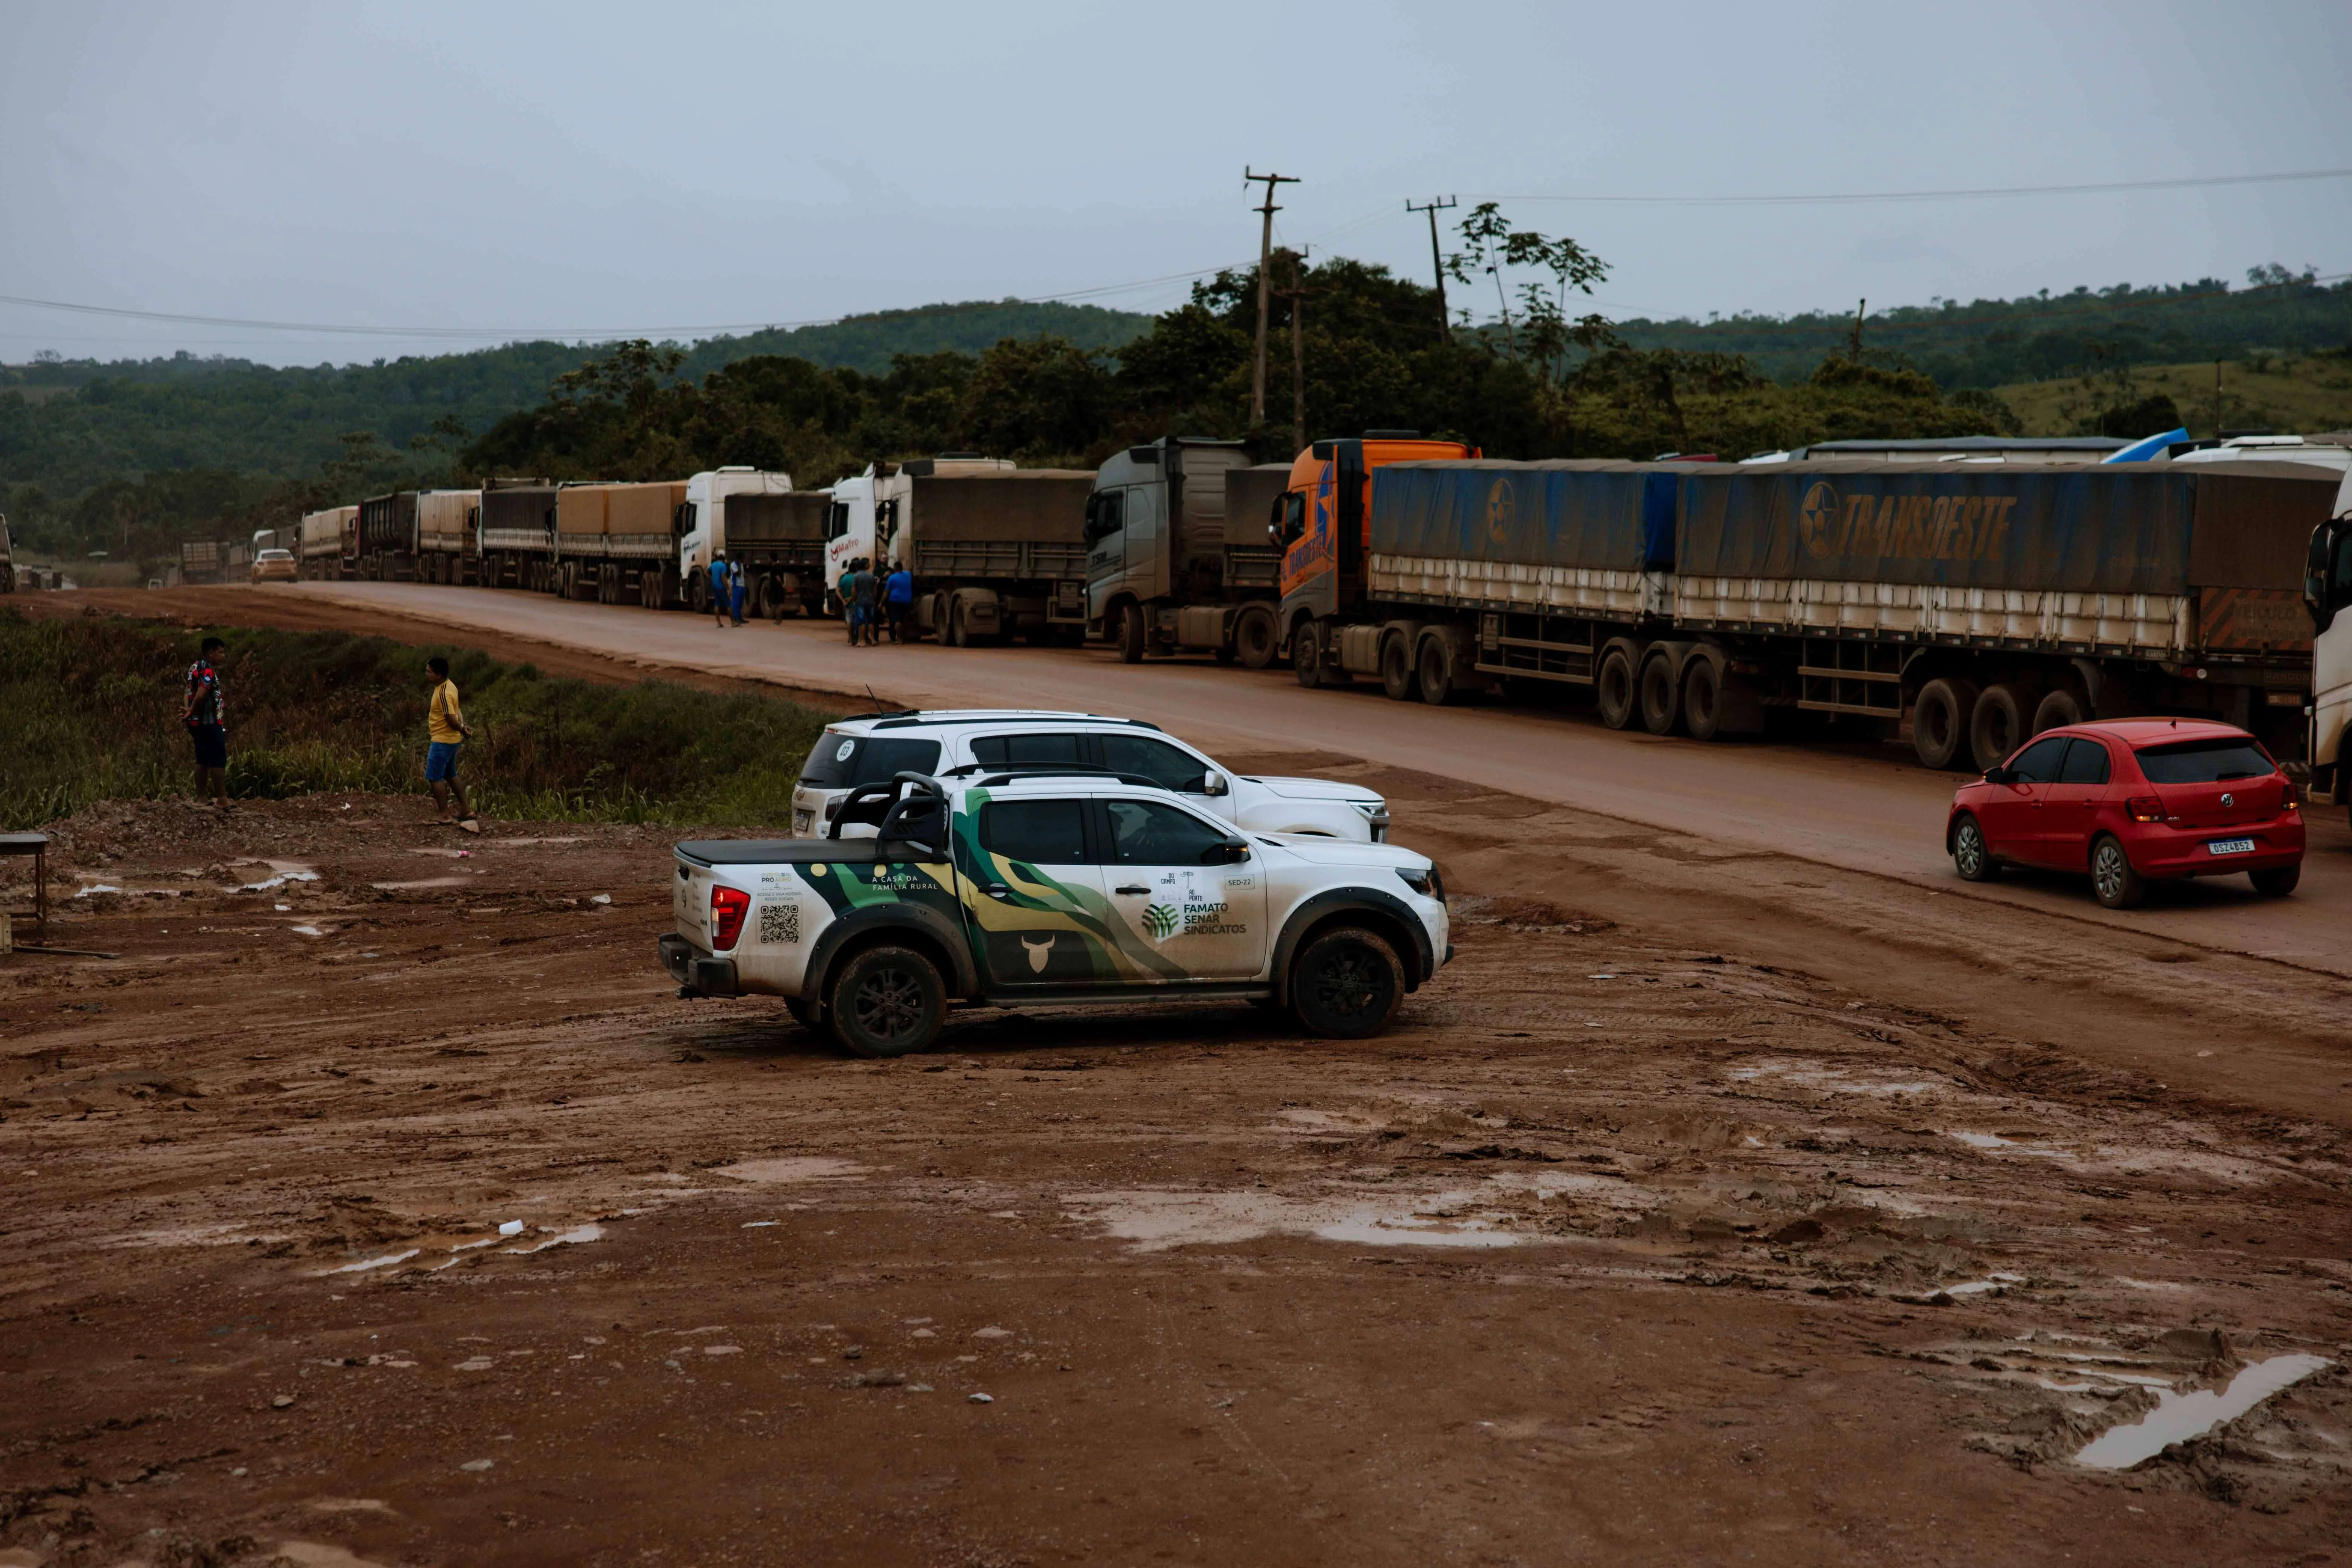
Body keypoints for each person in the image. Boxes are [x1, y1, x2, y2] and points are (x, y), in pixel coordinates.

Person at [424, 655, 480, 833]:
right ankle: (466, 810)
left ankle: (444, 814)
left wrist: (462, 729)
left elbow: (451, 718)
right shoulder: (450, 685)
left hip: (443, 740)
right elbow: (457, 711)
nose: (426, 675)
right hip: (450, 740)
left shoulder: (443, 692)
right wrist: (462, 729)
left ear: (439, 675)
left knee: (434, 776)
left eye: (429, 672)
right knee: (450, 774)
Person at [182, 635, 231, 810]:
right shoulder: (208, 671)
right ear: (211, 653)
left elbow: (188, 690)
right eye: (220, 652)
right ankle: (223, 800)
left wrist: (189, 711)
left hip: (196, 725)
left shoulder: (194, 667)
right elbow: (202, 693)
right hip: (210, 722)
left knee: (201, 759)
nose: (223, 656)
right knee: (218, 759)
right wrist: (193, 709)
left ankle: (201, 797)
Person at [850, 559, 881, 645]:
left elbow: (853, 590)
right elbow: (875, 590)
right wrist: (874, 599)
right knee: (871, 621)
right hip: (871, 601)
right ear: (865, 567)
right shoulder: (871, 576)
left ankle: (862, 641)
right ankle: (873, 639)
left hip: (860, 602)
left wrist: (854, 599)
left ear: (857, 568)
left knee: (862, 622)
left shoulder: (856, 577)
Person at [884, 562, 914, 643]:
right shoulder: (908, 575)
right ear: (902, 568)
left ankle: (899, 639)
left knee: (897, 621)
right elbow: (910, 571)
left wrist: (881, 603)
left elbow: (887, 592)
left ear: (894, 569)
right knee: (903, 619)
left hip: (895, 600)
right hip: (907, 600)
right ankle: (904, 637)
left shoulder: (892, 578)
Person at [709, 554, 732, 629]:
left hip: (715, 587)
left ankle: (719, 623)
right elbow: (724, 577)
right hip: (722, 587)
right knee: (729, 605)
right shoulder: (723, 566)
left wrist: (712, 578)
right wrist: (728, 588)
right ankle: (734, 622)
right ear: (724, 559)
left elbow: (706, 572)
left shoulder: (713, 565)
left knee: (717, 605)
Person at [730, 560, 748, 626]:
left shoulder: (741, 565)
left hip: (742, 585)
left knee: (741, 603)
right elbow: (739, 574)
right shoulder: (733, 565)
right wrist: (740, 566)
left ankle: (740, 617)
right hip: (736, 585)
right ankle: (735, 618)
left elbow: (743, 574)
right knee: (736, 603)